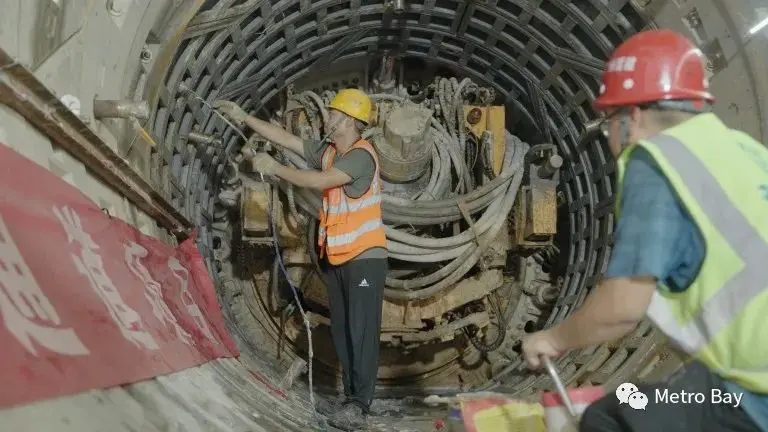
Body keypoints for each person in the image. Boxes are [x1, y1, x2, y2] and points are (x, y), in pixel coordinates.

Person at [521, 29, 768, 431]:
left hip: (751, 390)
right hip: (736, 378)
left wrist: (552, 339)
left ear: (630, 118)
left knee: (610, 417)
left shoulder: (657, 159)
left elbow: (621, 309)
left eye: (607, 128)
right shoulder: (744, 149)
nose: (613, 142)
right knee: (635, 401)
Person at [213, 88, 388, 431]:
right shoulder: (330, 152)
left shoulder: (360, 156)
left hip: (366, 259)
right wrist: (244, 117)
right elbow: (288, 140)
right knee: (342, 330)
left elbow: (322, 181)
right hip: (339, 257)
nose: (327, 117)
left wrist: (275, 169)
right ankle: (352, 399)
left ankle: (359, 405)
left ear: (349, 121)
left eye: (333, 113)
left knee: (361, 329)